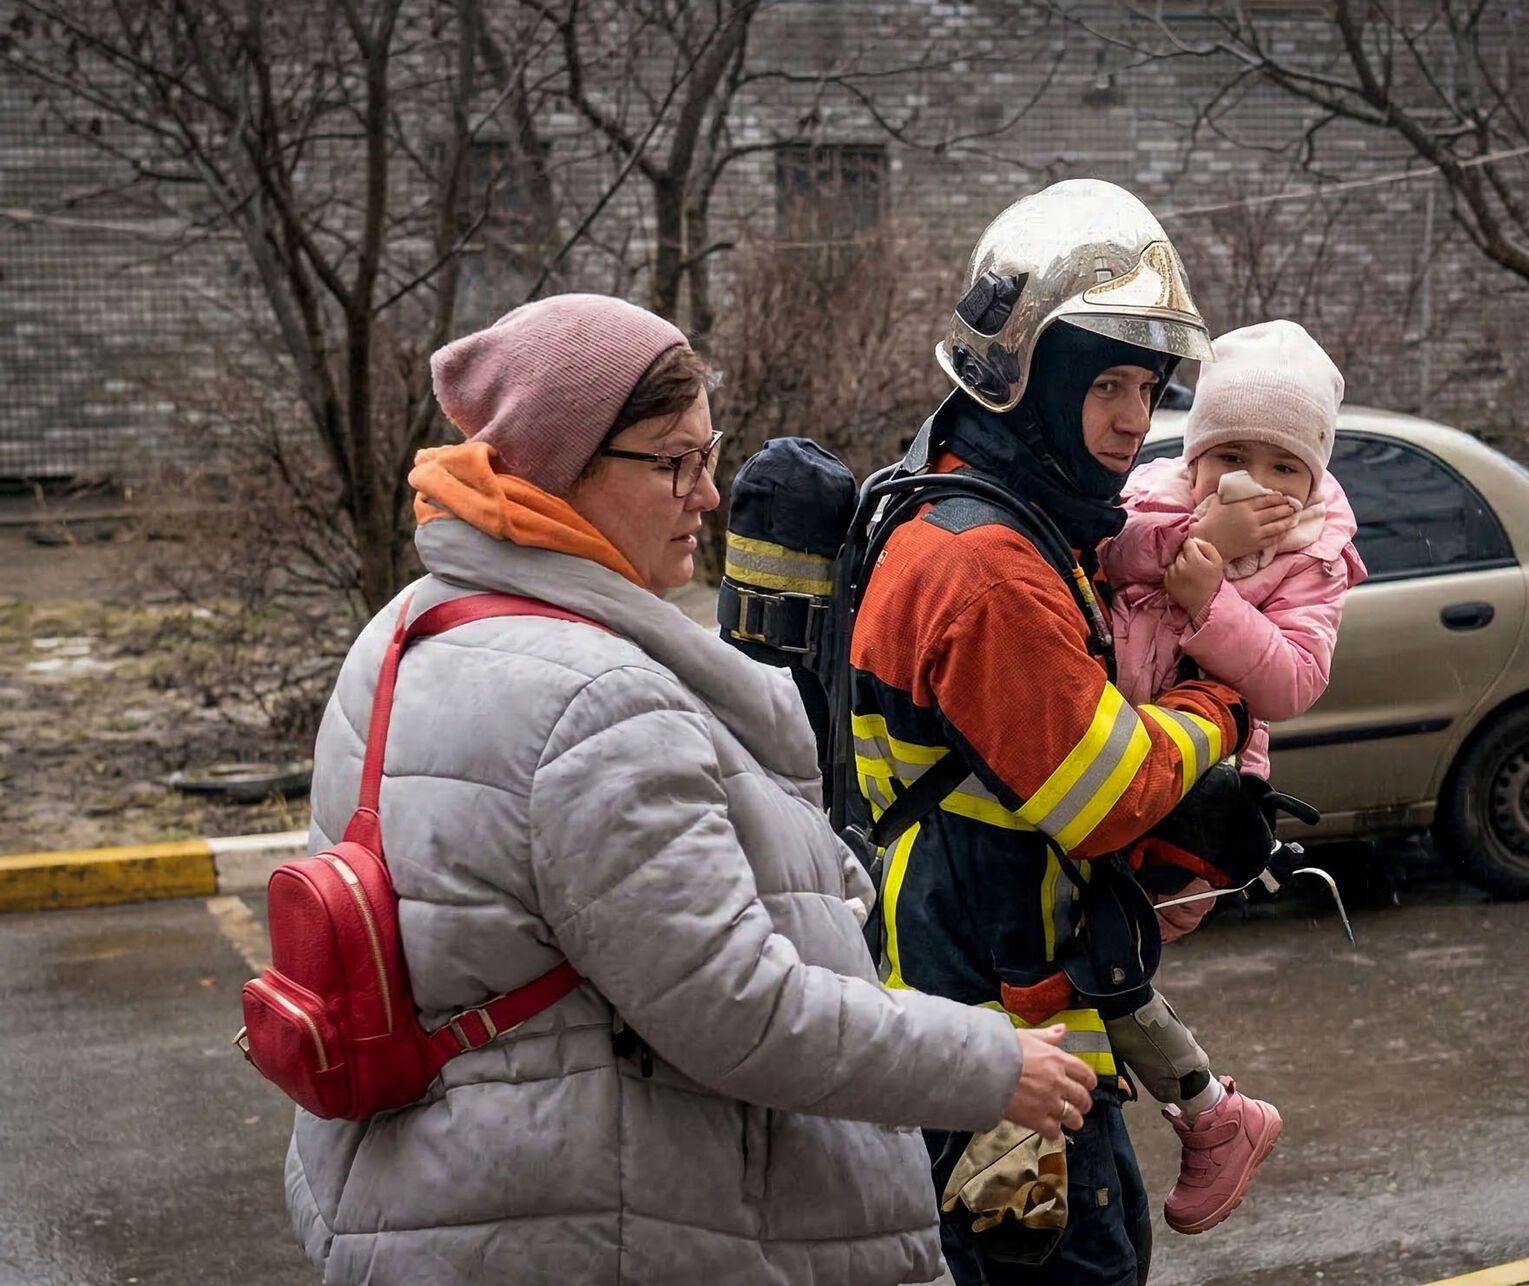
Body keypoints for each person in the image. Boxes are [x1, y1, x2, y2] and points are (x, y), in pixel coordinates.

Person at [284, 293, 1097, 1286]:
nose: (705, 496)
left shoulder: (405, 629)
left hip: (452, 1188)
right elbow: (737, 1007)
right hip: (602, 1220)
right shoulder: (594, 701)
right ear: (559, 463)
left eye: (708, 456)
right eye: (675, 460)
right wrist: (992, 1064)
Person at [848, 179, 1260, 1286]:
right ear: (1026, 383)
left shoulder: (990, 513)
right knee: (1056, 1271)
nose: (1136, 416)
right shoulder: (985, 564)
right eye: (1107, 383)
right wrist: (1219, 706)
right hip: (998, 1042)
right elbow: (1105, 790)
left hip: (1014, 1019)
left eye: (1148, 384)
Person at [1097, 319, 1368, 1234]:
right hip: (1100, 766)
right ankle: (1210, 1118)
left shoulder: (1313, 558)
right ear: (1197, 455)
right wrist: (1188, 537)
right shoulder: (1149, 502)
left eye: (1284, 466)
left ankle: (1211, 1119)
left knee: (1095, 955)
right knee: (1078, 959)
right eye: (1232, 455)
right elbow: (1089, 553)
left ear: (1315, 477)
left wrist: (1206, 603)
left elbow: (1293, 681)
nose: (1258, 482)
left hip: (1195, 809)